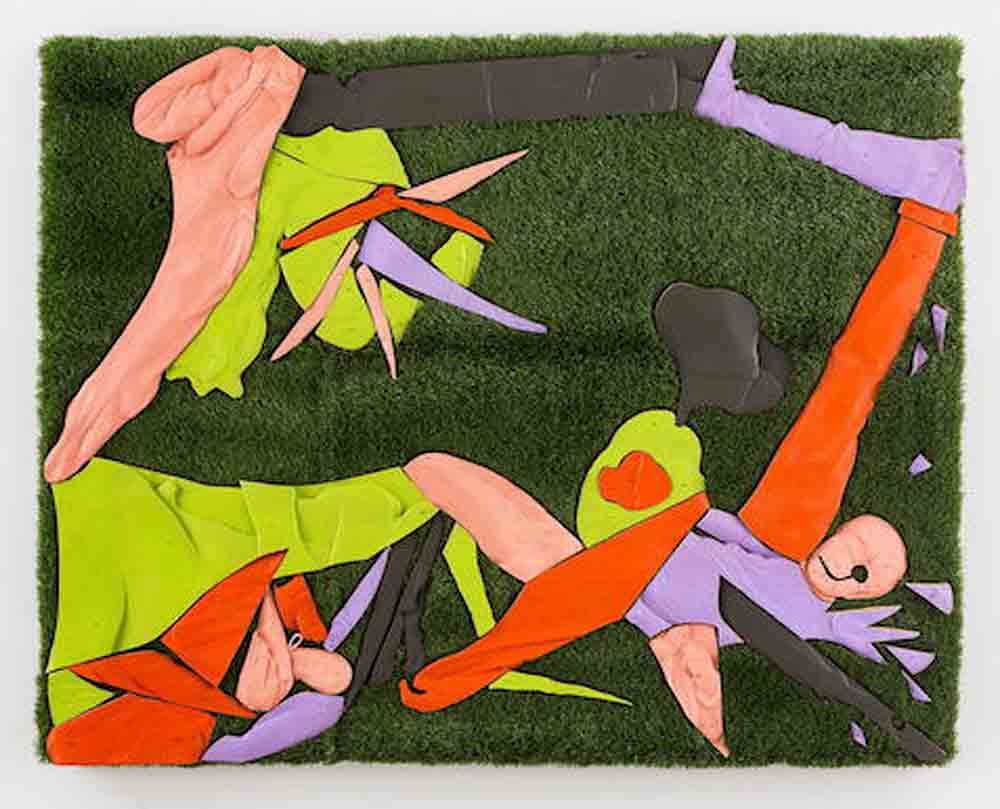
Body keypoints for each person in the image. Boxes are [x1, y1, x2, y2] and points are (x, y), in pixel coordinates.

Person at [397, 197, 959, 759]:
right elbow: (851, 381)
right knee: (452, 489)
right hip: (651, 549)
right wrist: (923, 233)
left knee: (464, 505)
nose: (848, 560)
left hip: (629, 578)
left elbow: (779, 640)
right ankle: (442, 671)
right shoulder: (789, 531)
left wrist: (870, 702)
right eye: (855, 543)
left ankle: (438, 678)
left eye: (861, 571)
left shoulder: (802, 599)